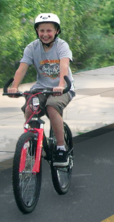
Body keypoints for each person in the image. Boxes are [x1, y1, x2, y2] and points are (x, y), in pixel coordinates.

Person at [7, 13, 75, 167]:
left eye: (49, 30)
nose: (45, 34)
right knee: (30, 109)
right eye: (41, 30)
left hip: (62, 87)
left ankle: (60, 148)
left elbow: (64, 66)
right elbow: (22, 68)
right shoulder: (32, 47)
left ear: (57, 31)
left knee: (52, 108)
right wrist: (14, 86)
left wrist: (61, 85)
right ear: (37, 31)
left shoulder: (62, 46)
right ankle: (34, 140)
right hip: (41, 87)